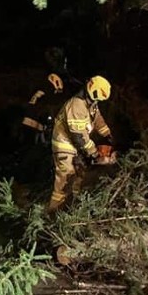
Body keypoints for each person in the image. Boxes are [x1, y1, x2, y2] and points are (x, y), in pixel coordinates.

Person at [47, 75, 114, 213]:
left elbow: (98, 119)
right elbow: (78, 136)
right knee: (65, 181)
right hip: (64, 144)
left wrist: (107, 135)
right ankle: (53, 213)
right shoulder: (77, 105)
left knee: (78, 177)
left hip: (74, 146)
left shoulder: (91, 104)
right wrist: (94, 153)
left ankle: (70, 208)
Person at [21, 73, 65, 145]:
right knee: (31, 148)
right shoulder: (48, 89)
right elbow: (49, 106)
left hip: (28, 120)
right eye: (57, 91)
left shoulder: (41, 87)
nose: (56, 93)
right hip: (33, 123)